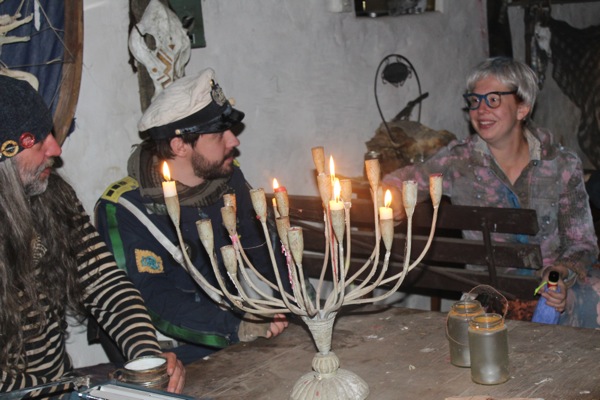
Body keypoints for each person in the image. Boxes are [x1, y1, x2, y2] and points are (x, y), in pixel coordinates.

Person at [0, 75, 185, 395]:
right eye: (39, 139)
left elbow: (104, 284)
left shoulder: (52, 195)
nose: (56, 148)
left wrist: (147, 360)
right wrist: (69, 389)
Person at [382, 57, 600, 329]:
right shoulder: (459, 162)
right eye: (475, 100)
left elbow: (582, 244)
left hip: (552, 289)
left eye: (493, 100)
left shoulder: (560, 165)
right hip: (489, 295)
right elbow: (402, 180)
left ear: (522, 108)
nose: (481, 110)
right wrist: (392, 196)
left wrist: (560, 273)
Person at [94, 68, 289, 365]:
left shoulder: (228, 180)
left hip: (243, 338)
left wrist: (297, 300)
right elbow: (153, 299)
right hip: (178, 355)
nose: (234, 141)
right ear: (179, 146)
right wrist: (237, 326)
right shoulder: (124, 208)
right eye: (219, 134)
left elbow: (263, 252)